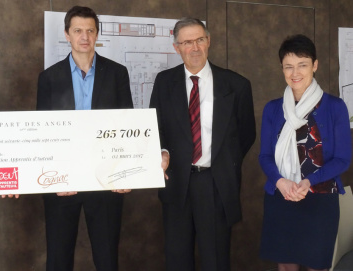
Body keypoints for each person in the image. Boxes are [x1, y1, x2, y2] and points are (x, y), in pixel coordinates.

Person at [149, 17, 256, 270]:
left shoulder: (237, 85)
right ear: (177, 47)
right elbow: (155, 127)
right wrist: (163, 152)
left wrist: (223, 164)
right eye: (187, 42)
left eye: (199, 40)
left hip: (216, 185)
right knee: (177, 259)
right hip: (176, 183)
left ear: (208, 41)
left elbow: (246, 134)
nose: (194, 47)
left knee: (216, 260)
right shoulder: (164, 82)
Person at [36, 6, 133, 271]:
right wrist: (54, 176)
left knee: (106, 258)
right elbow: (44, 134)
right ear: (67, 34)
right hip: (62, 181)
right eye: (78, 30)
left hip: (105, 180)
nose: (84, 37)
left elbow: (127, 126)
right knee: (58, 258)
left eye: (90, 30)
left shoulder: (117, 74)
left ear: (97, 34)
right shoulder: (49, 78)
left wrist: (122, 172)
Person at [259, 34, 352, 271]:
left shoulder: (334, 107)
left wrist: (309, 181)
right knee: (286, 265)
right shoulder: (272, 109)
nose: (295, 72)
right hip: (282, 196)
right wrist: (280, 182)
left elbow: (342, 159)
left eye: (302, 64)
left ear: (315, 65)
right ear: (282, 69)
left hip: (320, 199)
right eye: (288, 66)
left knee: (317, 266)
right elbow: (265, 156)